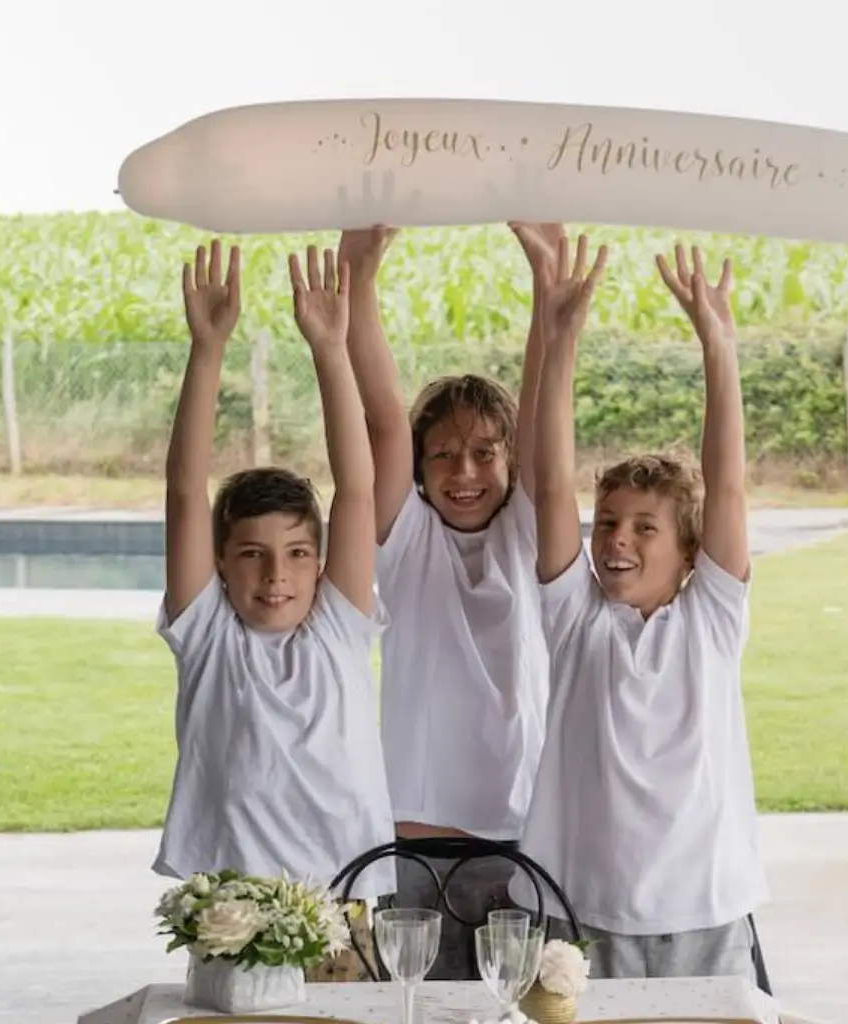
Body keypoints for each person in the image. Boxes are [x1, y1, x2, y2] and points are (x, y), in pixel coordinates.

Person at [511, 237, 768, 981]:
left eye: (644, 527)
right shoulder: (577, 620)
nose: (617, 539)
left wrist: (717, 342)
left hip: (706, 907)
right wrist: (560, 339)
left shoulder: (712, 620)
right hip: (584, 909)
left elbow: (727, 486)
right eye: (610, 522)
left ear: (690, 552)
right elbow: (552, 484)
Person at [152, 239, 395, 982]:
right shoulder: (209, 637)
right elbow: (185, 492)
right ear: (221, 565)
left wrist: (329, 346)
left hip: (343, 895)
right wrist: (207, 350)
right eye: (251, 554)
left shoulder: (338, 624)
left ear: (321, 564)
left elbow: (356, 489)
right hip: (234, 906)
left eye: (295, 554)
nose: (275, 576)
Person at [337, 223, 561, 979]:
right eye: (442, 454)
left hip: (522, 836)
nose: (463, 470)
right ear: (422, 469)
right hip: (414, 839)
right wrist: (360, 279)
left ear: (510, 459)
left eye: (484, 452)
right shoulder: (404, 541)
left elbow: (543, 416)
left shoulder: (532, 534)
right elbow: (379, 418)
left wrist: (544, 276)